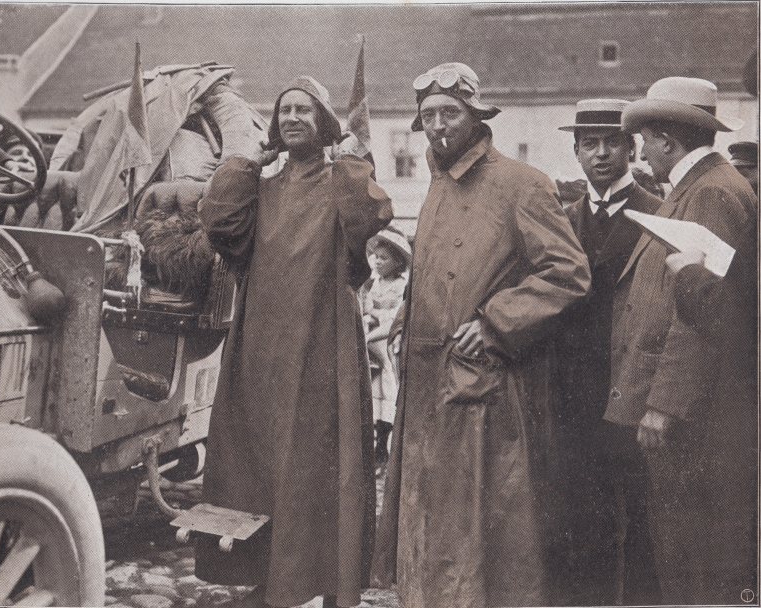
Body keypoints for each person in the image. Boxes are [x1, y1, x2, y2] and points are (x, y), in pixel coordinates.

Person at [372, 62, 591, 608]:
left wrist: (495, 322)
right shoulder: (438, 183)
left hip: (480, 387)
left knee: (476, 525)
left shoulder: (521, 184)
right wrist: (404, 318)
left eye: (451, 112)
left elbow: (567, 272)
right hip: (424, 386)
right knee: (429, 517)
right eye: (430, 116)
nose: (440, 125)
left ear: (476, 118)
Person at [195, 75, 393, 608]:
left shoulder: (339, 182)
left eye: (304, 110)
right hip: (260, 348)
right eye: (284, 111)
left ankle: (324, 581)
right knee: (257, 462)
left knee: (314, 464)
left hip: (322, 346)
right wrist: (248, 162)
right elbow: (220, 226)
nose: (291, 118)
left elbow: (370, 215)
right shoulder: (263, 189)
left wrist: (352, 159)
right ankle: (267, 578)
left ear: (323, 122)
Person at [606, 76, 757, 604]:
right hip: (695, 410)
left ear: (667, 140)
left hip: (696, 415)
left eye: (643, 139)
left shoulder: (711, 192)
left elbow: (704, 316)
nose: (640, 151)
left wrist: (664, 405)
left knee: (694, 551)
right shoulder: (699, 188)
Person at [552, 99, 663, 605]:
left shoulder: (659, 215)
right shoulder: (561, 218)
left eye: (611, 143)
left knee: (637, 515)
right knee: (577, 512)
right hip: (571, 393)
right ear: (575, 153)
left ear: (631, 147)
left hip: (632, 388)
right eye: (589, 145)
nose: (600, 155)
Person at [359, 227, 411, 468]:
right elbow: (367, 309)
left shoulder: (401, 286)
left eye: (384, 258)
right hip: (373, 335)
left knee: (388, 386)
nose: (378, 262)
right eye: (376, 257)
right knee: (373, 390)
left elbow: (396, 315)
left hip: (388, 338)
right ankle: (373, 441)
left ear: (398, 262)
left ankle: (383, 442)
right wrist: (371, 316)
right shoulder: (374, 284)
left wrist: (375, 320)